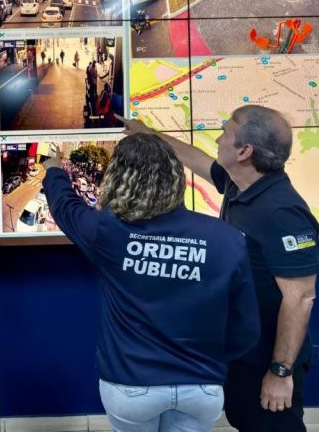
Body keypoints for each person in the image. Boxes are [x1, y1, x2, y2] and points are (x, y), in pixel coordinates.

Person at [118, 105, 319, 432]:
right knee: (243, 419)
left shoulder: (282, 213)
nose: (218, 139)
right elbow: (196, 159)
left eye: (226, 132)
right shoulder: (241, 185)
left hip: (268, 361)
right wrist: (148, 134)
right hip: (243, 352)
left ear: (244, 151)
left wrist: (280, 372)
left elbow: (301, 298)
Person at [42, 134, 260, 432]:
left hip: (131, 385)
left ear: (117, 178)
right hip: (201, 385)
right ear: (177, 178)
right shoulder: (226, 237)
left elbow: (66, 207)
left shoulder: (107, 231)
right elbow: (246, 330)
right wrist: (208, 362)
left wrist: (54, 170)